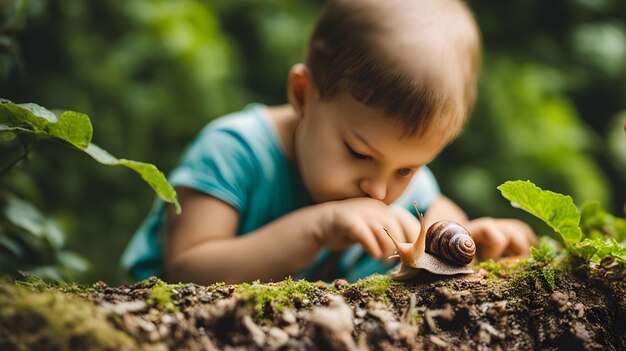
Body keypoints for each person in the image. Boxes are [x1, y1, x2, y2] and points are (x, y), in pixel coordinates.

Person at [121, 0, 537, 285]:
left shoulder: (398, 181)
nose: (378, 189)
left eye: (407, 168)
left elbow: (437, 217)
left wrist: (475, 240)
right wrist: (317, 228)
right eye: (359, 153)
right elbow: (185, 269)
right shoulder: (233, 152)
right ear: (303, 95)